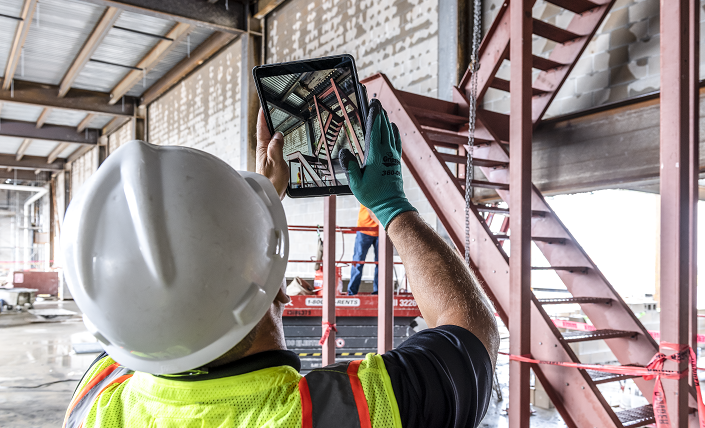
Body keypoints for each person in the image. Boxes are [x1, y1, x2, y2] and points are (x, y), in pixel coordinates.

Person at [61, 99, 499, 428]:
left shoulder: (99, 398)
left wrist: (262, 204)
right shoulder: (326, 414)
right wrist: (392, 207)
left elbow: (159, 296)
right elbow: (472, 335)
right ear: (278, 291)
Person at [347, 204, 380, 295]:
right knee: (358, 262)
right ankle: (352, 292)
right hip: (364, 230)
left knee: (381, 265)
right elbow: (372, 213)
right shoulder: (368, 190)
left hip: (380, 232)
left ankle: (378, 292)